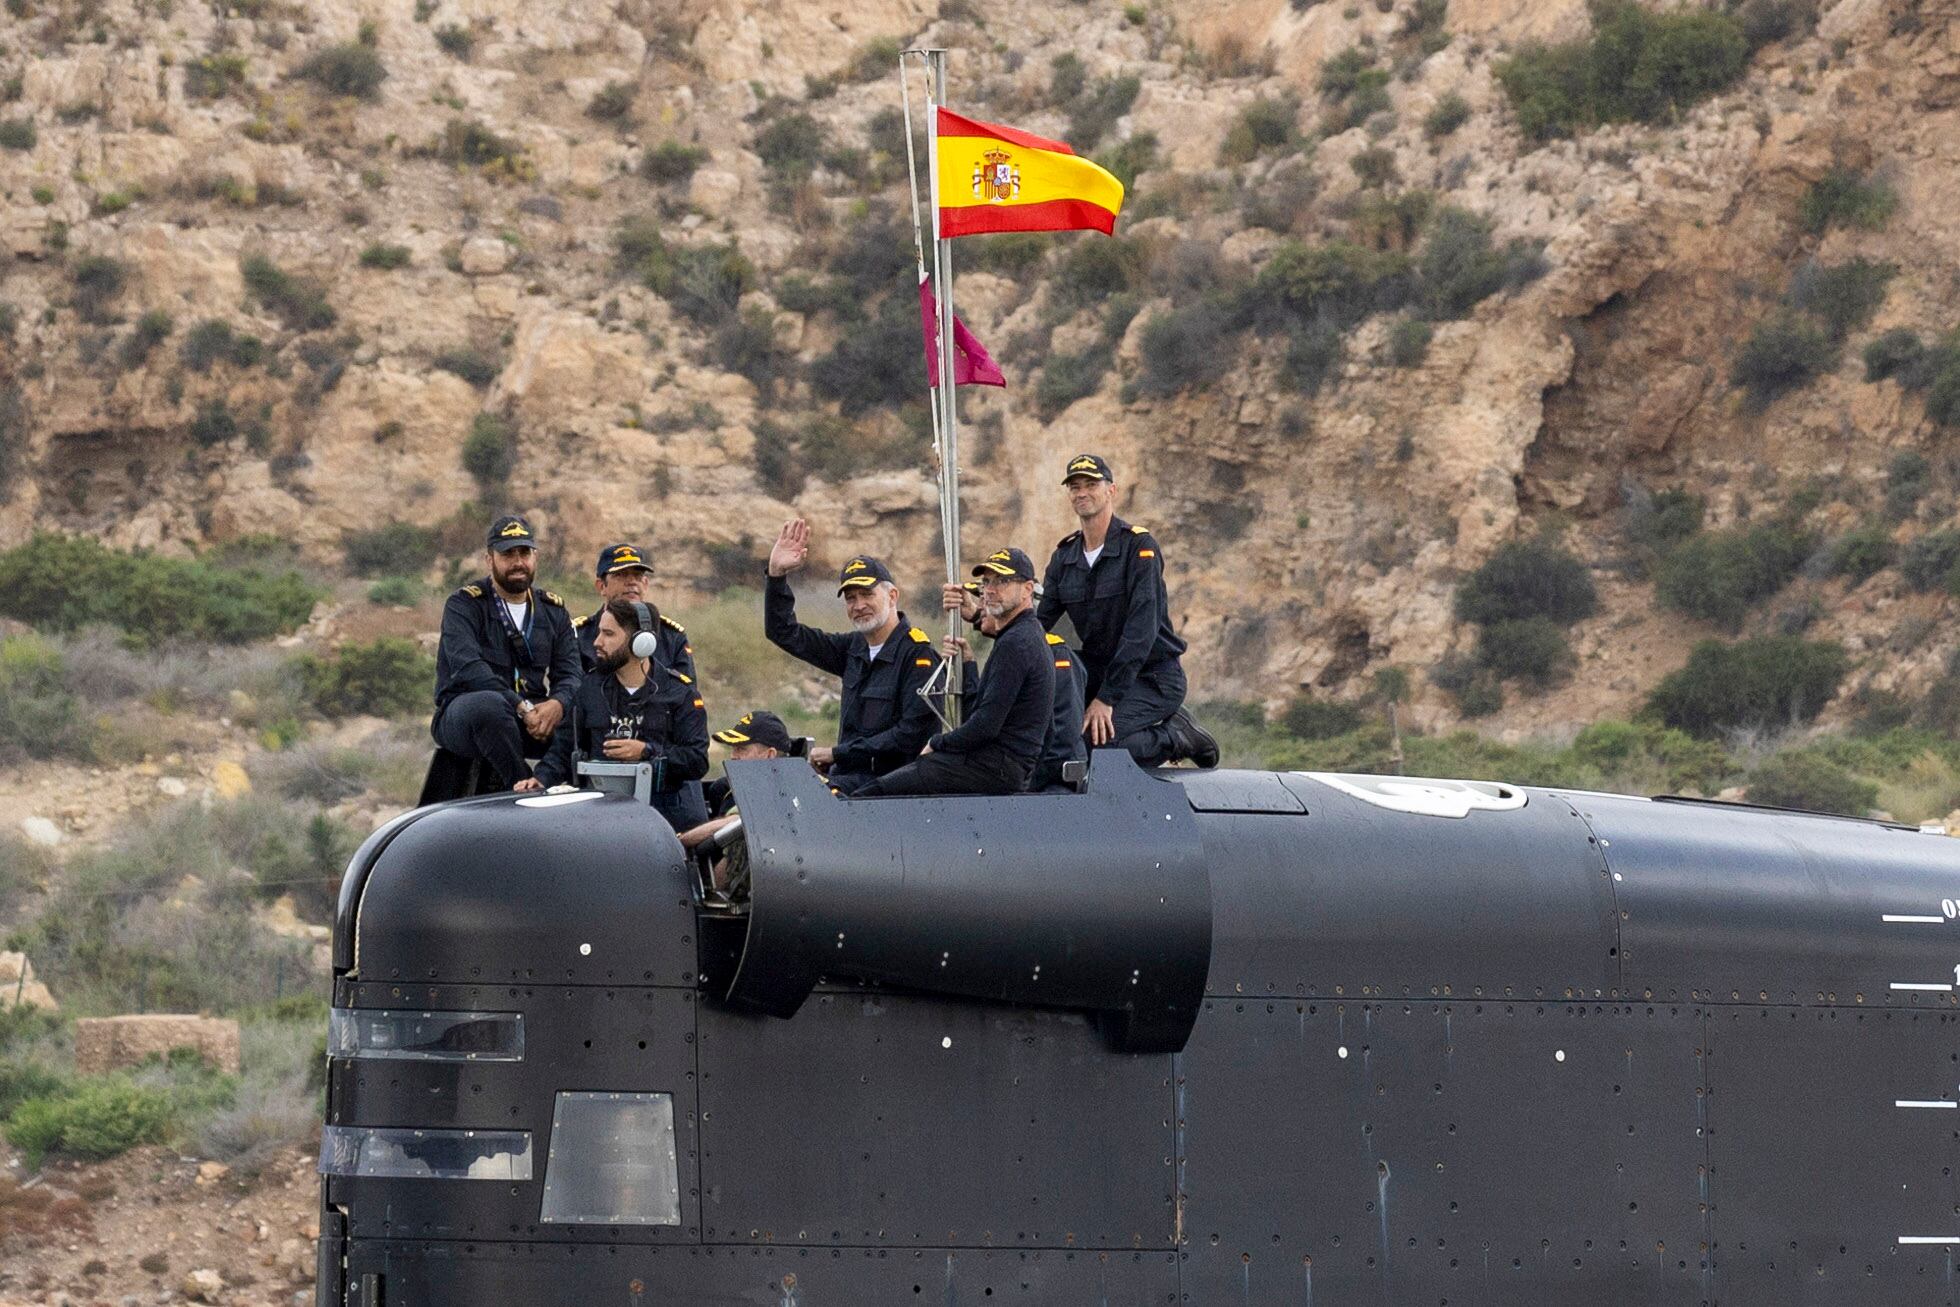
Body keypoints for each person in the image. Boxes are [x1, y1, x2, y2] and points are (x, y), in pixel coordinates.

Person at [1031, 453, 1219, 767]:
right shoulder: (1064, 557)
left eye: (1091, 484)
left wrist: (1106, 699)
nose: (1082, 493)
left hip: (1152, 676)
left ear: (1111, 490)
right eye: (1075, 487)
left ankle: (1177, 735)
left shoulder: (1138, 548)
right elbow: (1037, 624)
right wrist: (986, 620)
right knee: (1055, 736)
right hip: (1100, 673)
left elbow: (1141, 632)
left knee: (1097, 746)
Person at [764, 519, 942, 793]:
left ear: (892, 596)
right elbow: (784, 633)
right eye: (850, 598)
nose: (859, 605)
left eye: (867, 595)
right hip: (848, 781)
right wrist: (776, 575)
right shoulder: (851, 649)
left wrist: (838, 754)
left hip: (893, 789)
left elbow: (911, 735)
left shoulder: (919, 656)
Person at [856, 548, 1052, 797]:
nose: (990, 590)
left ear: (1027, 589)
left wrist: (937, 742)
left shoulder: (1016, 643)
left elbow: (985, 726)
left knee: (876, 793)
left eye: (1002, 581)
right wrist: (968, 666)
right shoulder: (1027, 636)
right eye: (986, 582)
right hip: (1005, 768)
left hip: (995, 767)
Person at [519, 598, 709, 832]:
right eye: (599, 632)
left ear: (641, 642)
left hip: (662, 818)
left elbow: (696, 759)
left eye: (608, 634)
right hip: (600, 817)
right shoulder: (588, 689)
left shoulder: (680, 694)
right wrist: (540, 779)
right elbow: (564, 748)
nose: (597, 642)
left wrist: (647, 752)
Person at [431, 514, 581, 789]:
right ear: (490, 560)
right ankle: (523, 788)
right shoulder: (465, 604)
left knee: (584, 715)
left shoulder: (553, 610)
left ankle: (566, 789)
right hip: (468, 713)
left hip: (532, 716)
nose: (518, 562)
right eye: (508, 554)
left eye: (524, 553)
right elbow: (469, 669)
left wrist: (557, 703)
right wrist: (520, 706)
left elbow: (571, 673)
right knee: (489, 706)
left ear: (535, 557)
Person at [943, 581, 1088, 794]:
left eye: (987, 600)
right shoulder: (1006, 653)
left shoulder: (1055, 653)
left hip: (1050, 784)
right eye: (982, 598)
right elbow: (980, 721)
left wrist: (1020, 780)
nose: (982, 605)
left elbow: (1062, 736)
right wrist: (967, 668)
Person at [680, 709, 797, 894]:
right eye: (733, 749)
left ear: (770, 754)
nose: (733, 756)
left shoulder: (791, 788)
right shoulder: (726, 790)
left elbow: (738, 822)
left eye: (742, 749)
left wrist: (679, 842)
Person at [573, 543, 694, 679]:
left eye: (637, 576)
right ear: (601, 586)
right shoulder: (578, 636)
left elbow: (686, 688)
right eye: (621, 575)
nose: (632, 582)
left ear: (645, 584)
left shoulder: (671, 637)